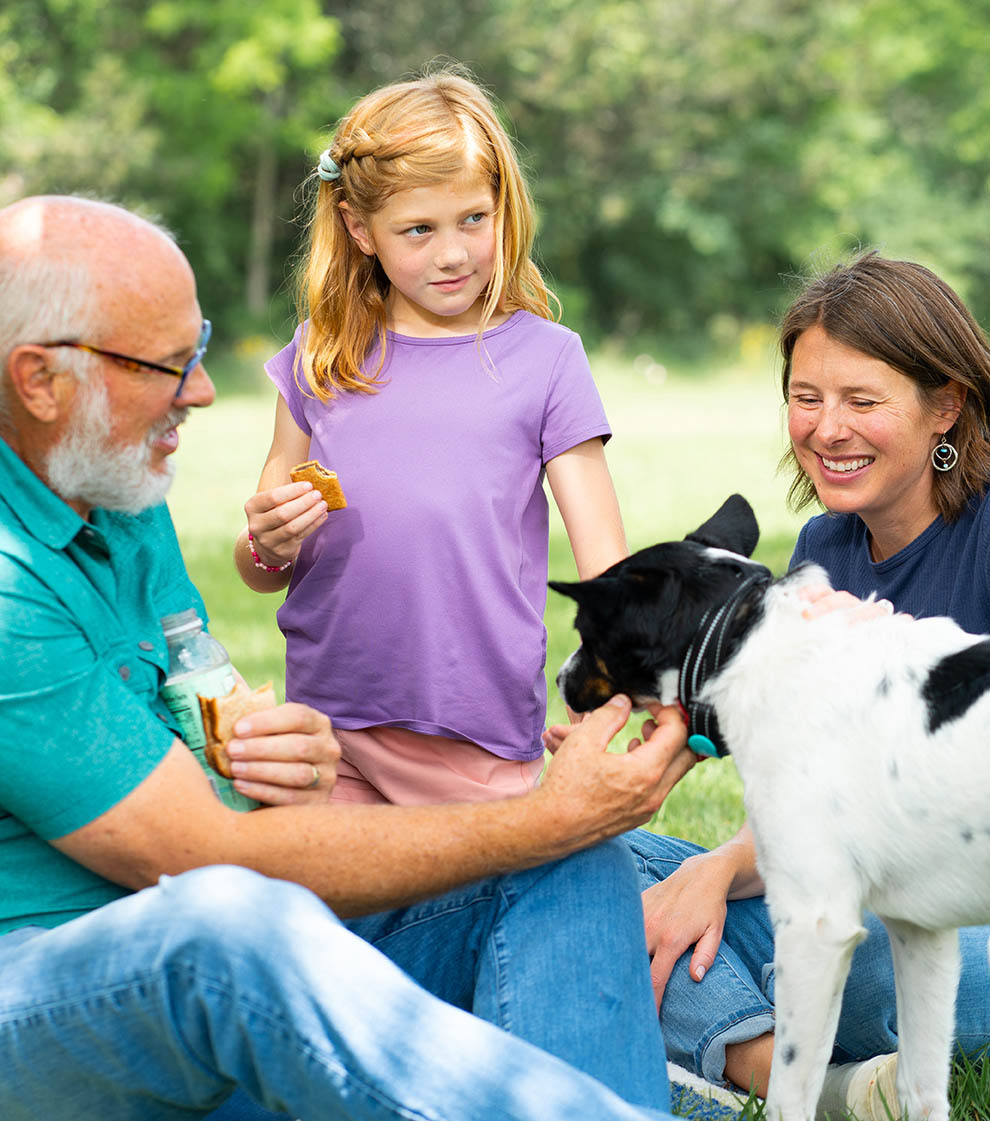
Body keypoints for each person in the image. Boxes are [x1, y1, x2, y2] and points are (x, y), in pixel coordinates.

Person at [0, 192, 701, 1121]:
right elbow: (200, 856)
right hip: (62, 988)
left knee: (574, 869)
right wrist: (547, 814)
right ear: (40, 379)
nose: (204, 390)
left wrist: (263, 745)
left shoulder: (117, 486)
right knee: (231, 927)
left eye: (198, 349)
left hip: (240, 961)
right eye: (169, 365)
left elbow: (191, 709)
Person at [606, 252, 990, 1121]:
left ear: (946, 405)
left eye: (863, 400)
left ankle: (744, 1049)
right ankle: (793, 1072)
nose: (826, 428)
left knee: (883, 962)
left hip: (965, 907)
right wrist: (671, 787)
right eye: (806, 396)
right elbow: (805, 792)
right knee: (592, 871)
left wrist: (727, 869)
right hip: (852, 886)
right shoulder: (824, 549)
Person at [234, 66, 628, 808]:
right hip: (328, 729)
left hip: (474, 739)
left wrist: (612, 682)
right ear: (360, 229)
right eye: (419, 230)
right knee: (339, 916)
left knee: (476, 911)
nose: (453, 254)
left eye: (473, 219)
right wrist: (267, 541)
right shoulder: (322, 353)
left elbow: (606, 560)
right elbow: (260, 564)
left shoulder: (547, 359)